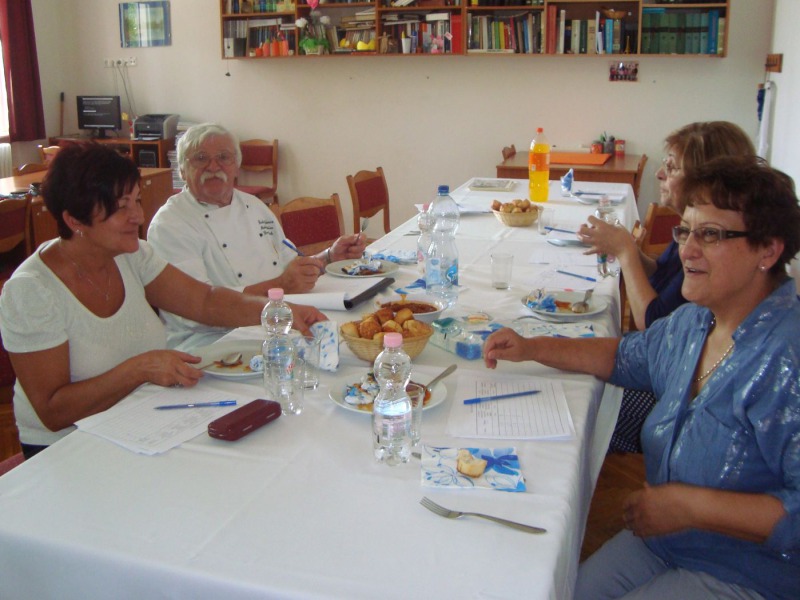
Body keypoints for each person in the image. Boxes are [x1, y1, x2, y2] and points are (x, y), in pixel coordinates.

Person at [484, 156, 800, 599]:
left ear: (768, 250)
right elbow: (624, 356)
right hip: (668, 541)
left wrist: (689, 506)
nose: (688, 250)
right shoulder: (696, 323)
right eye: (686, 230)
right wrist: (533, 347)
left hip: (748, 572)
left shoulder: (787, 356)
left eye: (710, 234)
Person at [0, 143, 326, 459]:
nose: (138, 216)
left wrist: (276, 311)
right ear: (74, 220)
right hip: (67, 447)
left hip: (139, 417)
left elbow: (204, 300)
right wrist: (140, 369)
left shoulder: (131, 255)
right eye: (120, 207)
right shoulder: (32, 291)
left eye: (137, 201)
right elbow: (52, 411)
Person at [576, 121, 756, 453]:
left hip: (672, 394)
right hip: (663, 360)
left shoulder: (719, 258)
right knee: (578, 354)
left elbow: (654, 323)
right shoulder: (690, 228)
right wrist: (626, 249)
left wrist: (626, 252)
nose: (660, 175)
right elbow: (662, 273)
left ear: (705, 178)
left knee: (579, 406)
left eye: (671, 167)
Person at [147, 123, 366, 350]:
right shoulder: (171, 224)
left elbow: (289, 262)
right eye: (201, 158)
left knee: (346, 341)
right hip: (212, 342)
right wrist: (282, 286)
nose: (213, 166)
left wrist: (328, 257)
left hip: (276, 321)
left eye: (224, 157)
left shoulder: (254, 205)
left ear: (236, 166)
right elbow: (193, 311)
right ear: (182, 169)